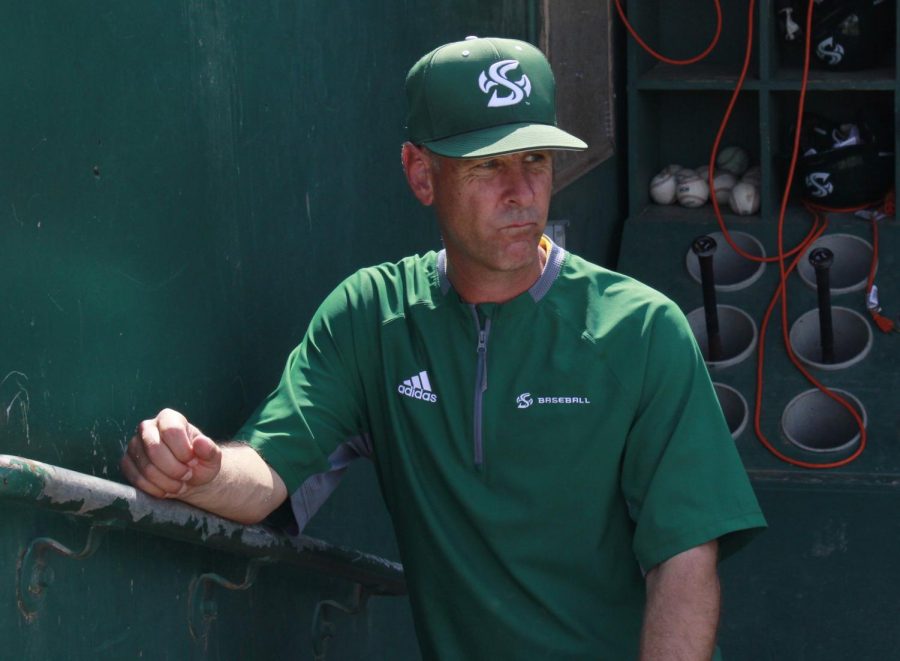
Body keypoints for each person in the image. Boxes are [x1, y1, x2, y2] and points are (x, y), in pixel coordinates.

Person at [121, 36, 766, 660]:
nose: (521, 192)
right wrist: (195, 471)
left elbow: (684, 559)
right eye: (488, 164)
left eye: (535, 159)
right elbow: (266, 477)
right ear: (420, 173)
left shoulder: (642, 329)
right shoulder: (372, 317)